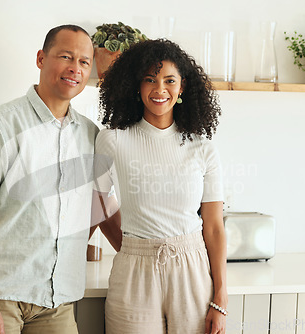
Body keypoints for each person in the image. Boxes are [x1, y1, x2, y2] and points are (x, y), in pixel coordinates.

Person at [0, 24, 99, 334]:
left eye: (84, 62)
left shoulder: (90, 136)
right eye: (65, 56)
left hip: (55, 300)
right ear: (41, 58)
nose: (75, 68)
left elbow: (96, 209)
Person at [94, 39, 227, 334]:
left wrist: (220, 297)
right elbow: (99, 208)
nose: (159, 90)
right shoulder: (113, 140)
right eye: (150, 80)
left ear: (182, 88)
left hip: (192, 269)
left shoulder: (202, 148)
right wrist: (135, 249)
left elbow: (214, 227)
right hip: (133, 271)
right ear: (136, 86)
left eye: (169, 80)